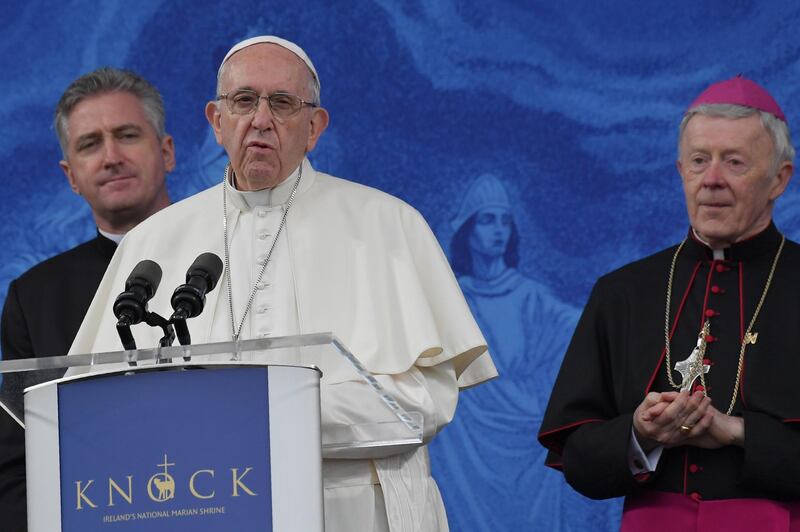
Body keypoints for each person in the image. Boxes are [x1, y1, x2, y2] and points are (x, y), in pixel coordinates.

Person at [70, 36, 497, 532]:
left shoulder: (388, 225)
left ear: (314, 127)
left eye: (283, 103)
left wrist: (266, 416)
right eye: (244, 101)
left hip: (355, 511)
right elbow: (100, 409)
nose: (261, 119)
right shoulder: (152, 242)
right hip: (201, 508)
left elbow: (424, 404)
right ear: (216, 121)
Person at [539, 75, 800, 531]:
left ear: (780, 179)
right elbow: (577, 458)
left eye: (734, 162)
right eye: (699, 161)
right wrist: (640, 434)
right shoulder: (623, 292)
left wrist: (738, 433)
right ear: (681, 170)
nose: (712, 180)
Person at [0, 67, 175, 532]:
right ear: (71, 175)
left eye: (127, 135)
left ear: (167, 151)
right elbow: (15, 469)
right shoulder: (33, 298)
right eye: (89, 144)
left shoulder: (234, 259)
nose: (111, 156)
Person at [434, 174, 617, 530]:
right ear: (468, 231)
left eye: (505, 221)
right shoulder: (451, 297)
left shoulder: (530, 296)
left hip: (525, 438)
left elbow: (577, 327)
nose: (498, 230)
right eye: (487, 220)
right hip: (467, 445)